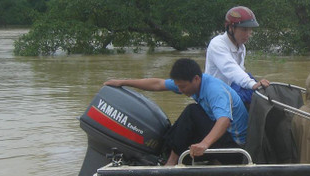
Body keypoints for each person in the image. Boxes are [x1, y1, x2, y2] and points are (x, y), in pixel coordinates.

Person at [104, 58, 249, 165]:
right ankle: (166, 155)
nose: (179, 90)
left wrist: (204, 144)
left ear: (196, 79)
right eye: (178, 86)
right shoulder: (191, 83)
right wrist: (122, 82)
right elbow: (158, 84)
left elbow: (224, 120)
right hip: (222, 138)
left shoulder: (215, 90)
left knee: (192, 111)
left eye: (183, 87)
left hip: (234, 149)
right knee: (186, 121)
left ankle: (171, 162)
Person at [205, 5, 270, 105]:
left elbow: (240, 72)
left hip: (232, 88)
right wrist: (252, 84)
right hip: (217, 93)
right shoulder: (217, 44)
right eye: (244, 29)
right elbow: (231, 69)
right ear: (231, 28)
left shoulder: (241, 47)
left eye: (250, 30)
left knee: (265, 93)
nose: (248, 34)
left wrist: (255, 84)